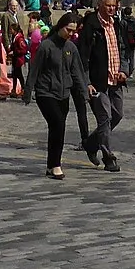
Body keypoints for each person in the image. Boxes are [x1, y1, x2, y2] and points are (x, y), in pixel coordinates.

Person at [26, 13, 89, 178]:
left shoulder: (71, 48)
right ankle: (56, 165)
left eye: (73, 31)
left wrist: (84, 92)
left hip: (63, 93)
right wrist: (28, 91)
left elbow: (77, 72)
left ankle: (50, 165)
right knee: (58, 124)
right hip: (45, 92)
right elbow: (35, 69)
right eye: (68, 30)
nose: (71, 34)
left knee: (56, 129)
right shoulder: (46, 46)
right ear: (61, 26)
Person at [80, 0, 126, 171]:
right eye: (108, 5)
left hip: (116, 80)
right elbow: (83, 57)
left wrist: (125, 69)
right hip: (98, 82)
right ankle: (108, 157)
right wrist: (87, 82)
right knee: (105, 118)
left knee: (118, 115)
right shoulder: (91, 26)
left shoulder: (117, 24)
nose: (112, 9)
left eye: (114, 6)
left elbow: (123, 50)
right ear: (99, 6)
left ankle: (91, 144)